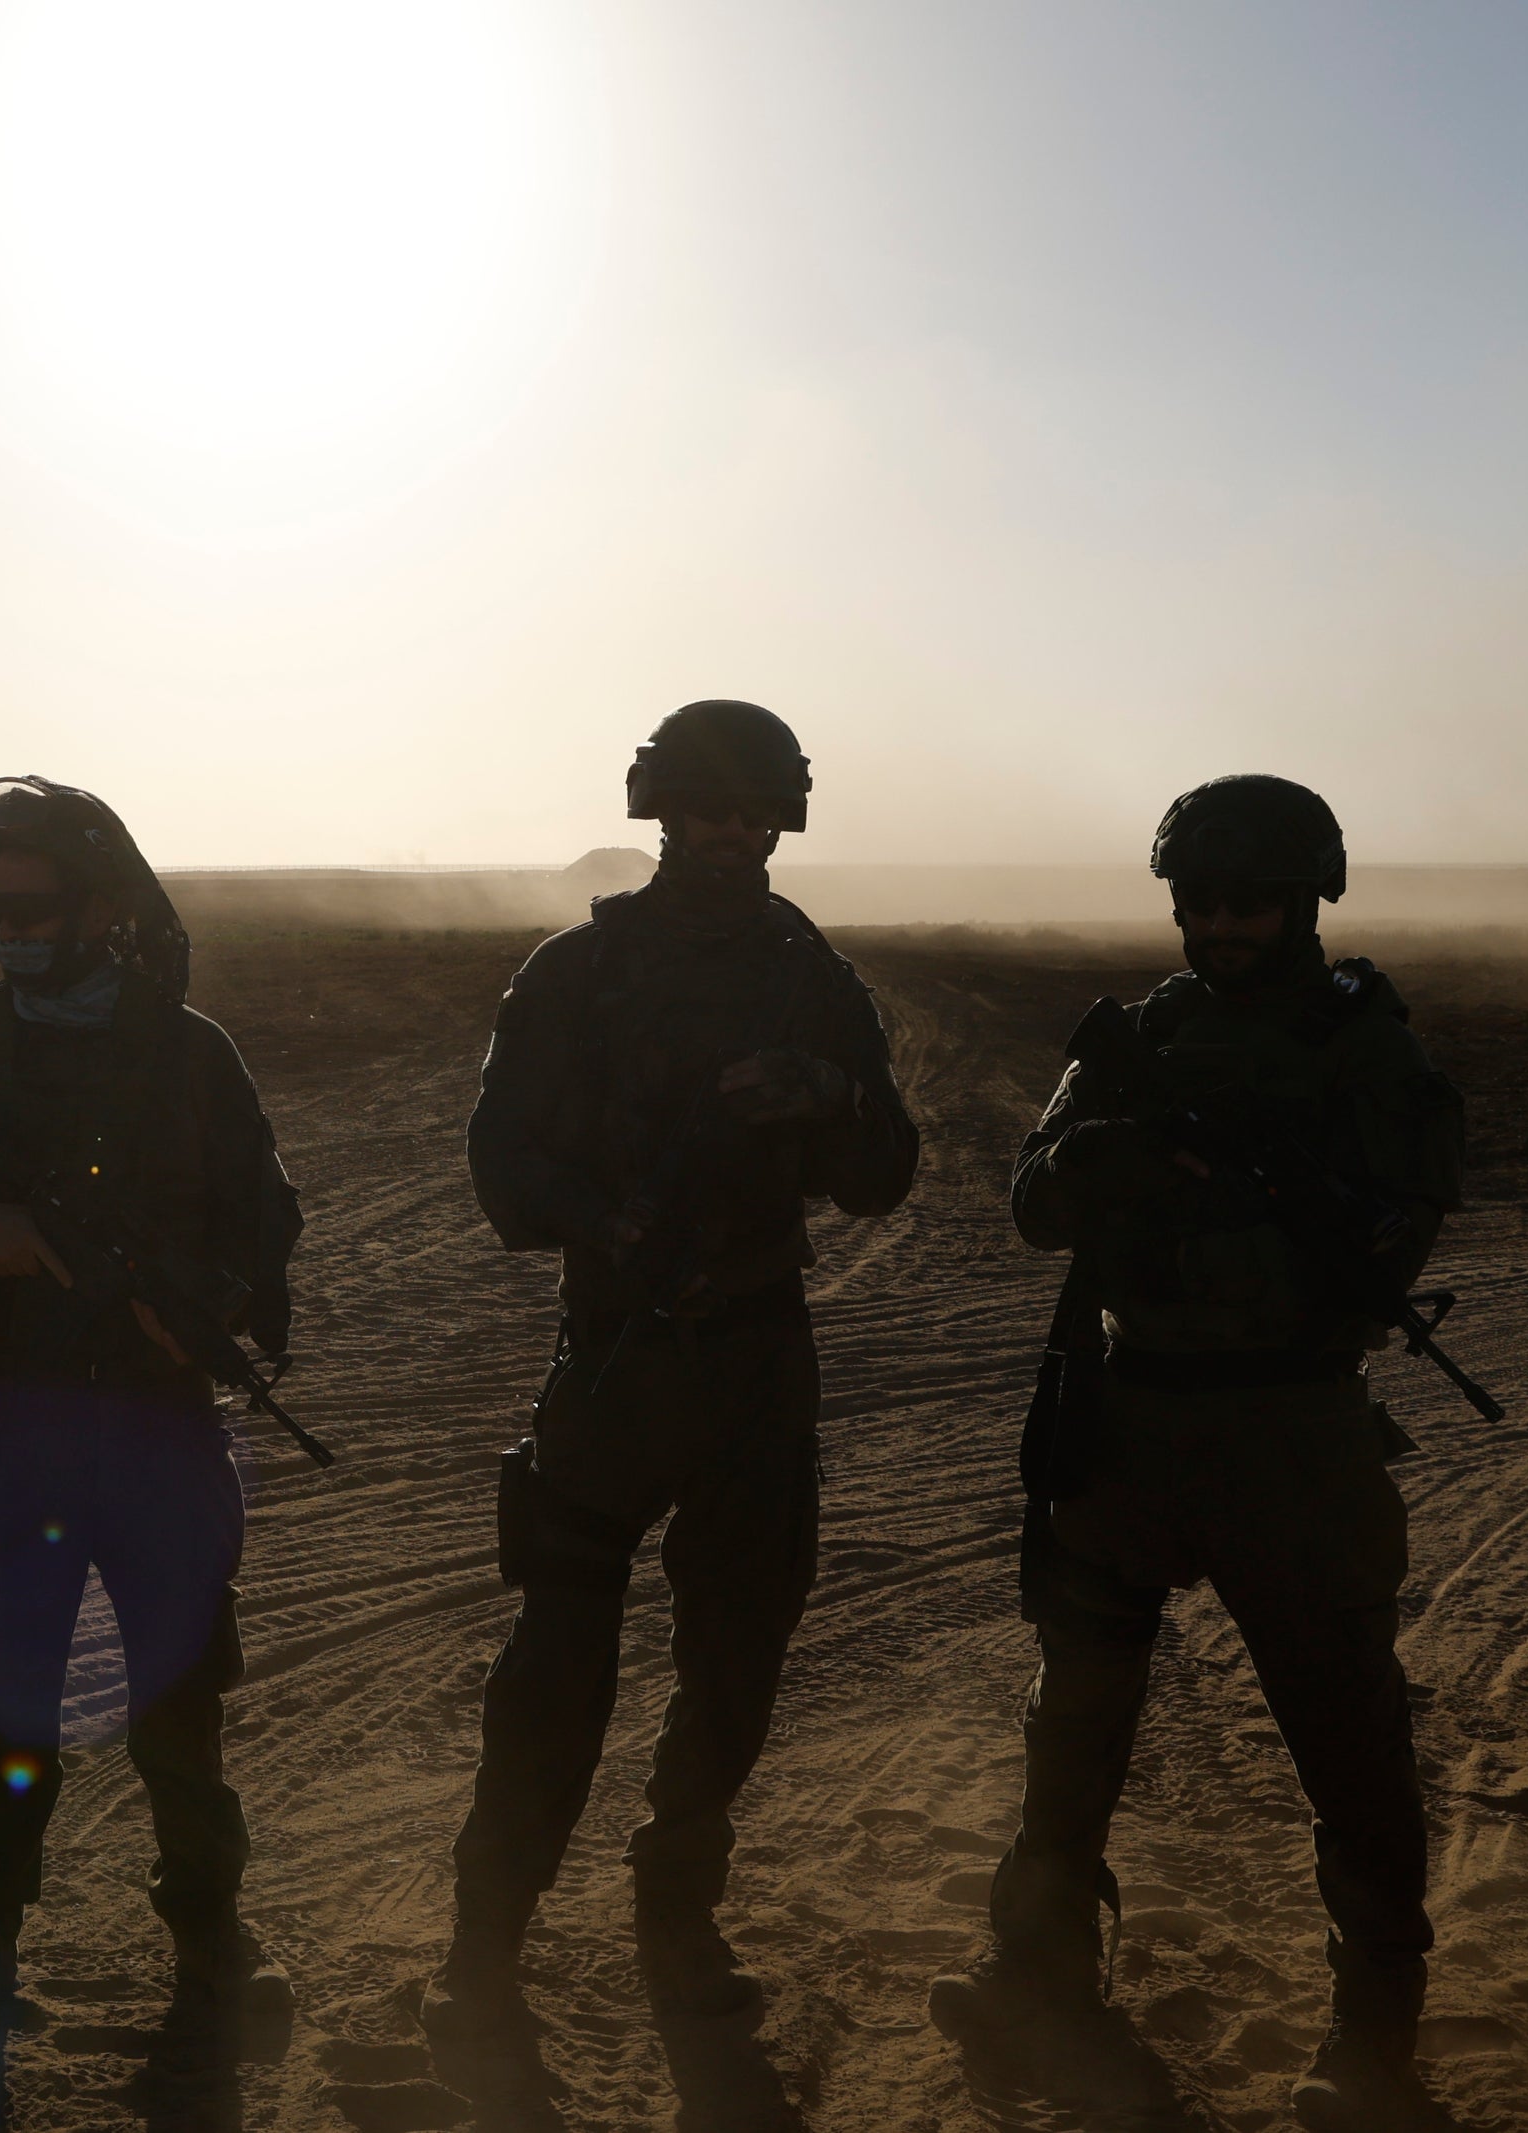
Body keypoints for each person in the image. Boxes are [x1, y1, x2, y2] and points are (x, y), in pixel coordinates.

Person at [929, 777, 1465, 2133]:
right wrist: (1111, 1158)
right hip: (1134, 1428)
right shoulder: (1136, 1042)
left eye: (1251, 902)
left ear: (1304, 903)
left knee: (1345, 1731)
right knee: (1076, 1723)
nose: (1223, 927)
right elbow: (1033, 1202)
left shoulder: (1363, 1050)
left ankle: (1375, 2027)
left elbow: (1394, 1238)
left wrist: (1245, 1206)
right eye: (1203, 903)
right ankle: (1036, 1965)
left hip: (1290, 1433)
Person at [427, 701, 919, 2048]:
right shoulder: (578, 975)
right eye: (709, 806)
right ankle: (490, 1939)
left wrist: (824, 1094)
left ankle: (676, 1903)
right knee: (556, 1666)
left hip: (758, 1359)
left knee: (739, 1656)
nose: (732, 830)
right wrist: (600, 1216)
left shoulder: (809, 978)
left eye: (756, 809)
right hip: (617, 1360)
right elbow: (499, 1171)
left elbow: (884, 1175)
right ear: (662, 810)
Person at [0, 777, 304, 2105]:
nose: (11, 933)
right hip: (22, 1432)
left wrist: (213, 1308)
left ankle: (215, 1957)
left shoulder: (192, 1051)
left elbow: (267, 1221)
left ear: (106, 906)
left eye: (35, 908)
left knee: (180, 1728)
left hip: (163, 1440)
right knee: (7, 1725)